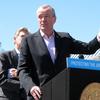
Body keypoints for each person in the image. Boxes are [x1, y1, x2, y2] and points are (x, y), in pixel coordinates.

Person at [18, 4, 100, 100]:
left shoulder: (65, 38)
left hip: (62, 93)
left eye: (46, 16)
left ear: (54, 19)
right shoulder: (28, 41)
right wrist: (31, 86)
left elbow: (88, 48)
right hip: (39, 95)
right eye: (40, 17)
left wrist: (98, 38)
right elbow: (22, 69)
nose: (43, 20)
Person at [0, 27, 30, 100]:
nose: (25, 39)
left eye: (27, 37)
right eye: (22, 36)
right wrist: (25, 85)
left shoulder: (31, 59)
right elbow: (1, 80)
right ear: (14, 39)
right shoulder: (4, 56)